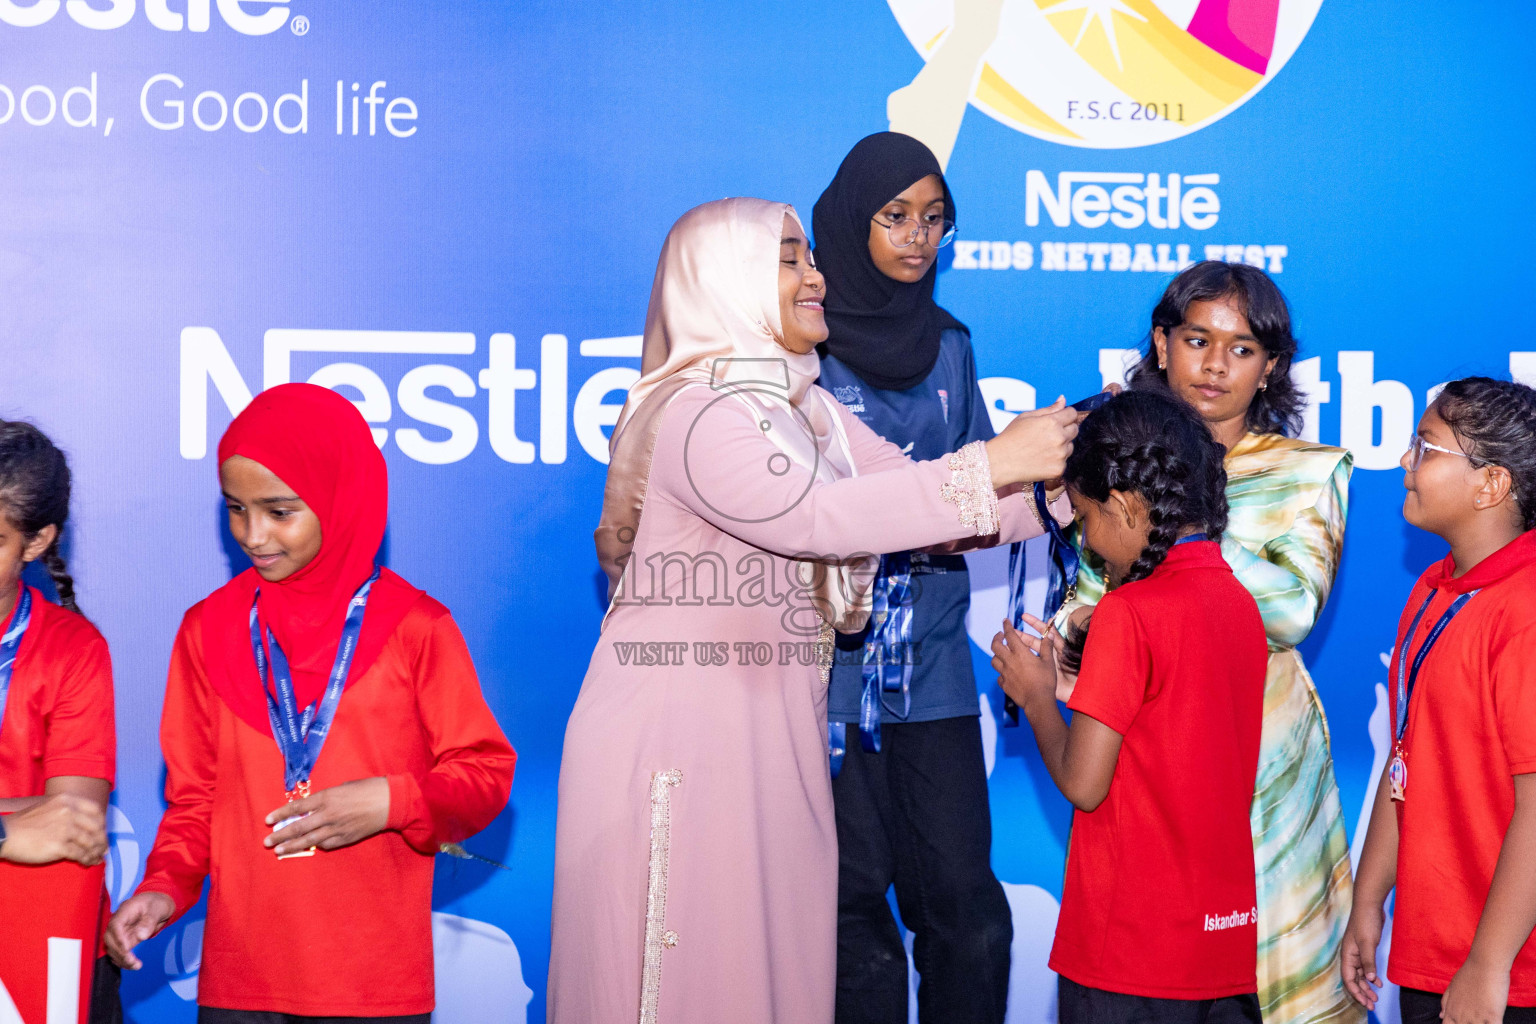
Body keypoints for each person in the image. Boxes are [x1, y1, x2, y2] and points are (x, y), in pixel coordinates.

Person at [548, 197, 1079, 1024]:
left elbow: (924, 505)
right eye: (790, 259)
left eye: (810, 258)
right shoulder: (698, 414)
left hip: (777, 738)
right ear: (722, 282)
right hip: (677, 744)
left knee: (777, 972)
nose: (817, 277)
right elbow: (818, 519)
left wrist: (1072, 484)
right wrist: (999, 456)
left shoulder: (808, 410)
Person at [104, 383, 516, 1023]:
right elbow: (195, 801)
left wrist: (393, 801)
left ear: (338, 496)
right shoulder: (206, 629)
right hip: (240, 984)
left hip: (373, 986)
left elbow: (485, 776)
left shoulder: (417, 627)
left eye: (279, 510)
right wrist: (164, 888)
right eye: (235, 509)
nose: (253, 534)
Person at [1056, 260, 1359, 1024]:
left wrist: (1180, 508)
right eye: (1196, 339)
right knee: (1153, 982)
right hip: (1148, 761)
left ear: (1271, 368)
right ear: (1162, 345)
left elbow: (1290, 612)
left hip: (1270, 769)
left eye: (1243, 348)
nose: (1216, 363)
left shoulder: (1309, 472)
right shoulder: (1114, 462)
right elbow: (1084, 609)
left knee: (1276, 994)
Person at [812, 131, 1009, 1024]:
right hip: (823, 675)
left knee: (967, 913)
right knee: (846, 912)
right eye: (895, 216)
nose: (917, 237)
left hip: (930, 669)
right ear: (851, 221)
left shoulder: (952, 346)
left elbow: (979, 499)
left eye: (936, 219)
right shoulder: (797, 350)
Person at [993, 389, 1268, 1024]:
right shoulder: (1237, 606)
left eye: (1085, 519)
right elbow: (1169, 732)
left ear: (1121, 505)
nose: (1086, 543)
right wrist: (1075, 686)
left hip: (1129, 957)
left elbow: (1084, 785)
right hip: (1221, 952)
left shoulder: (1127, 613)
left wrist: (1038, 700)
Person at [1343, 378, 1536, 1024]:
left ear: (1491, 486)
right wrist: (1369, 898)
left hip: (1507, 975)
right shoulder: (1434, 586)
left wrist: (1488, 965)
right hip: (1437, 955)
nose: (1405, 461)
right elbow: (1406, 761)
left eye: (1425, 447)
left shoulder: (1525, 612)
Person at [0, 420, 116, 1020]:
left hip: (47, 946)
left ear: (37, 542)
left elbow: (72, 819)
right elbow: (37, 819)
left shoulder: (74, 649)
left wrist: (32, 825)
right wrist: (11, 828)